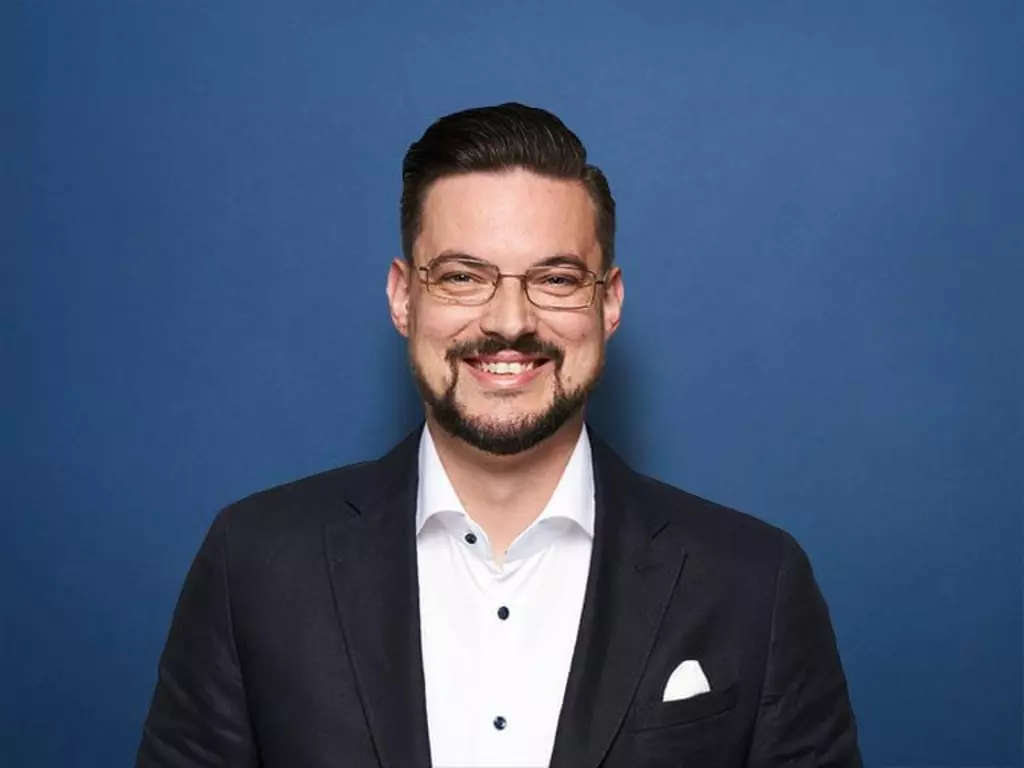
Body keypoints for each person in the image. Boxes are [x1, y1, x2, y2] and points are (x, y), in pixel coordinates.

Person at [137, 102, 862, 767]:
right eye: (462, 276)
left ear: (608, 303)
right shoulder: (253, 565)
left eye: (555, 279)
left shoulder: (755, 582)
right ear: (403, 297)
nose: (510, 322)